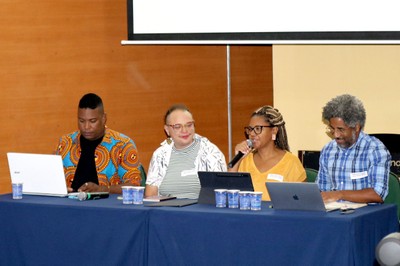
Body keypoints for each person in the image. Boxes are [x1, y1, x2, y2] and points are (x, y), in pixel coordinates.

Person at [55, 93, 142, 194]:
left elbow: (134, 186)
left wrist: (102, 190)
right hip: (69, 205)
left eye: (92, 121)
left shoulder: (123, 145)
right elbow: (51, 179)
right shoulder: (65, 143)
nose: (86, 127)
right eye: (82, 121)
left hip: (107, 207)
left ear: (104, 118)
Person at [316, 94, 391, 203]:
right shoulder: (328, 150)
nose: (335, 135)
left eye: (341, 129)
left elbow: (378, 194)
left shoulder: (375, 150)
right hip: (334, 214)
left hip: (363, 215)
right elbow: (322, 189)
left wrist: (340, 194)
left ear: (356, 127)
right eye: (332, 128)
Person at [145, 104, 227, 199]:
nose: (185, 130)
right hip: (167, 210)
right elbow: (150, 195)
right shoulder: (159, 155)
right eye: (177, 126)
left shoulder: (210, 151)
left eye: (189, 125)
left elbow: (220, 193)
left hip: (201, 211)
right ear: (167, 130)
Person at [229, 105, 306, 201]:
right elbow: (229, 192)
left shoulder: (291, 162)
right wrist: (238, 157)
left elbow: (301, 201)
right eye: (250, 129)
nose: (252, 134)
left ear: (274, 131)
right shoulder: (245, 160)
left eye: (258, 129)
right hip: (247, 214)